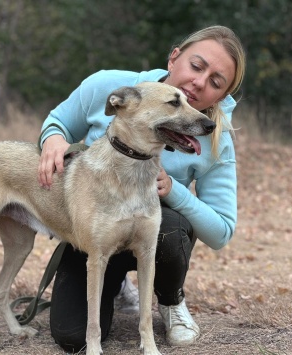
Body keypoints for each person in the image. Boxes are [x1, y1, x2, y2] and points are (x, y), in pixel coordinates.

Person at [37, 25, 246, 352]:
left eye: (216, 82)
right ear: (174, 57)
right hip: (96, 226)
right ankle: (116, 284)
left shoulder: (215, 141)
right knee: (72, 337)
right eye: (196, 66)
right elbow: (58, 121)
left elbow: (221, 232)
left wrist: (172, 190)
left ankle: (170, 299)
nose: (200, 82)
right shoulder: (108, 85)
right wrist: (52, 138)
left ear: (222, 95)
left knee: (171, 227)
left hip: (154, 234)